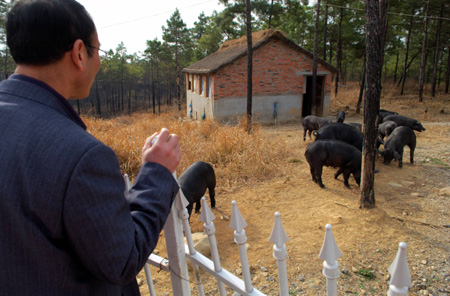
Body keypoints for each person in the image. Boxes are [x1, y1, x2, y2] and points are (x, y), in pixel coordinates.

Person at [0, 0, 181, 295]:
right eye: (98, 52)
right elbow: (122, 260)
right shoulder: (82, 156)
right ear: (79, 53)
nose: (100, 62)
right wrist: (156, 172)